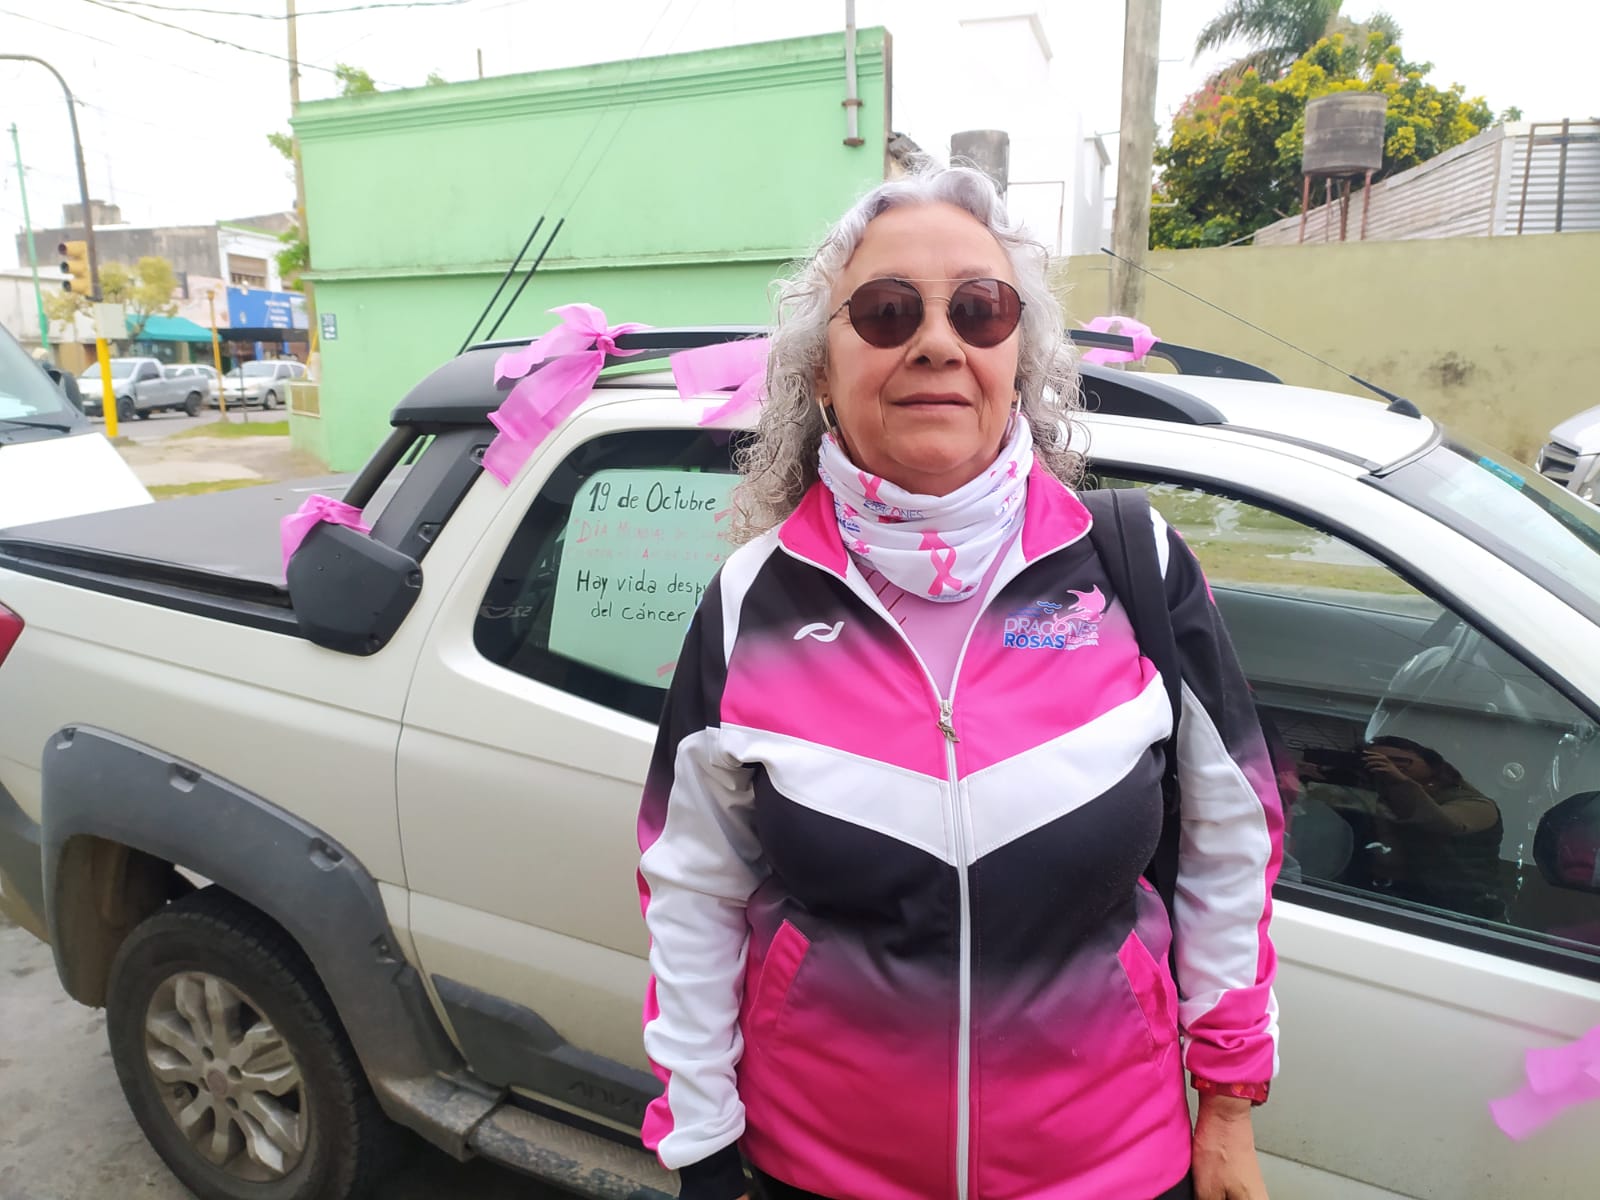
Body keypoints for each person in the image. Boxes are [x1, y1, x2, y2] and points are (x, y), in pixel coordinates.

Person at [636, 165, 1283, 1200]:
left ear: (1017, 357)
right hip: (823, 1170)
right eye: (888, 312)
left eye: (978, 310)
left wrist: (1229, 1106)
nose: (935, 341)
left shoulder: (1132, 565)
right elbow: (693, 888)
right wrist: (703, 1144)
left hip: (1112, 1168)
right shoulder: (750, 600)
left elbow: (1229, 843)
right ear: (818, 373)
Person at [1359, 735, 1505, 919]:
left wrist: (1400, 781)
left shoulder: (1476, 804)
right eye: (1374, 762)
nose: (1388, 767)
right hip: (1399, 901)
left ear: (1432, 765)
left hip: (1461, 911)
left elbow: (1442, 822)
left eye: (1400, 761)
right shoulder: (1382, 798)